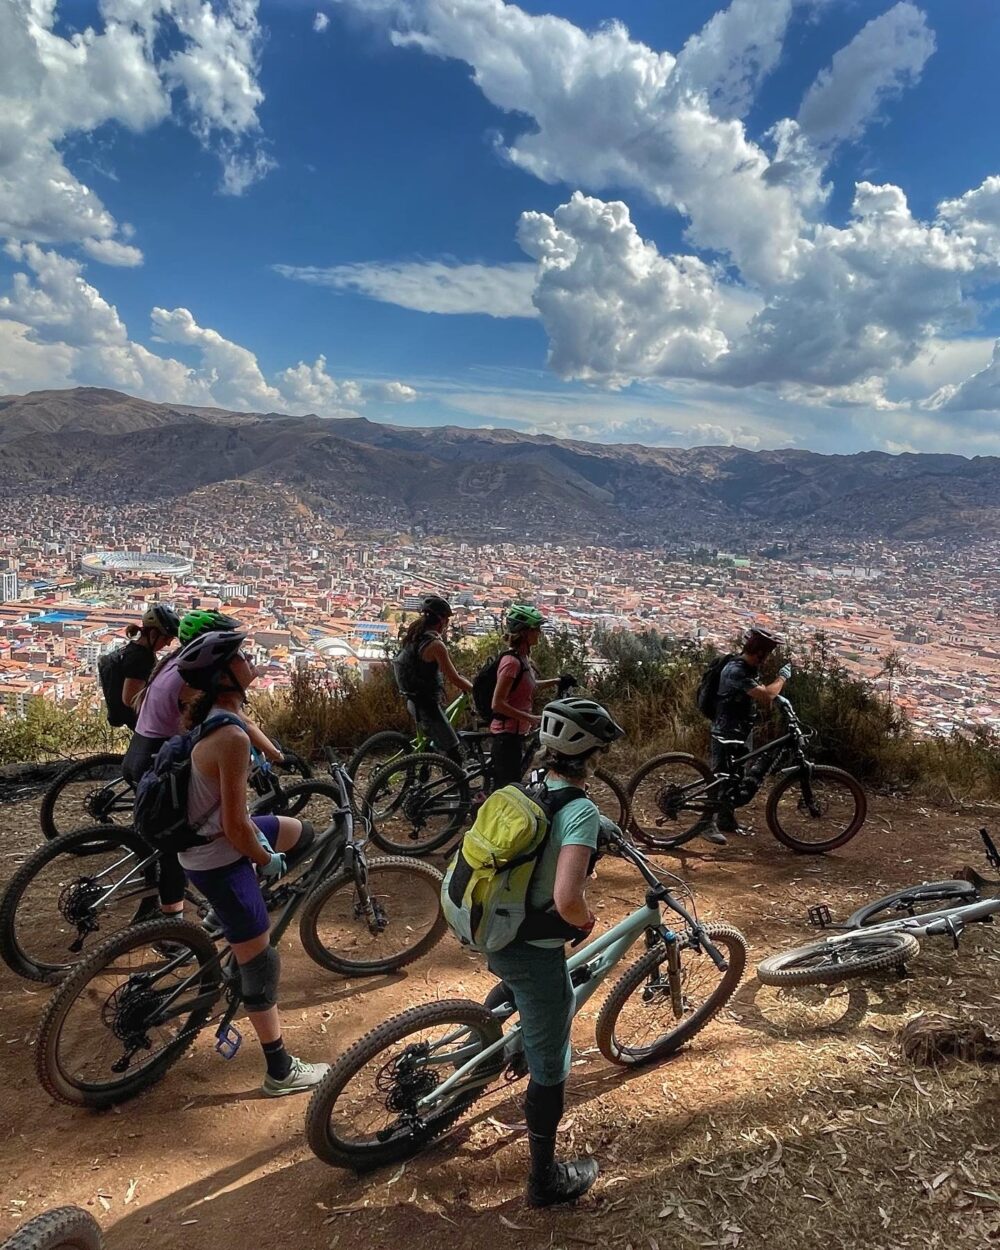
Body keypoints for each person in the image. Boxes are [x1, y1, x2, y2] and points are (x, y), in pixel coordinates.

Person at [174, 629, 330, 1096]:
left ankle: (236, 917)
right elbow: (237, 826)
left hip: (207, 840)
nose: (248, 658)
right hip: (216, 858)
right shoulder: (229, 738)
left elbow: (250, 736)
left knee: (300, 833)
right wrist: (265, 859)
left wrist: (277, 756)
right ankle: (279, 1070)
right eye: (239, 655)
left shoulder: (219, 714)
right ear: (224, 676)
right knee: (261, 967)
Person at [486, 697, 624, 1207]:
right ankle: (544, 1180)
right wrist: (585, 921)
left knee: (522, 987)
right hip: (529, 948)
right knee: (553, 1063)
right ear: (591, 756)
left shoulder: (530, 783)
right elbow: (567, 900)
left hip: (489, 925)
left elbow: (547, 826)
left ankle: (498, 1031)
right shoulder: (580, 810)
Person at [123, 609, 285, 922]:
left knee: (172, 840)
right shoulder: (196, 681)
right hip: (157, 759)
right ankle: (173, 927)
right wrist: (274, 754)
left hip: (141, 750)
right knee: (179, 847)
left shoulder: (172, 662)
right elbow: (241, 722)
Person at [705, 626, 792, 845]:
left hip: (741, 730)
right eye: (766, 654)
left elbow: (760, 693)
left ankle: (725, 818)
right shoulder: (736, 670)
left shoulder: (748, 668)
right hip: (726, 731)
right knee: (720, 777)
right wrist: (782, 678)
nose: (767, 658)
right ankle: (705, 823)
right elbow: (767, 694)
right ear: (759, 653)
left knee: (736, 776)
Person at [489, 604, 576, 790]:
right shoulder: (511, 663)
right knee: (507, 790)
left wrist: (557, 681)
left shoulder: (523, 659)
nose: (539, 633)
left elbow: (529, 686)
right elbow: (497, 703)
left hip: (516, 733)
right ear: (524, 632)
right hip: (506, 736)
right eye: (536, 629)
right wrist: (530, 717)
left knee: (512, 784)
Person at [396, 595, 472, 764]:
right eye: (447, 620)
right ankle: (457, 779)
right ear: (442, 620)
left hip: (413, 700)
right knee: (454, 753)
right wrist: (475, 689)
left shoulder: (416, 636)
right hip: (426, 706)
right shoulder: (436, 645)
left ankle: (424, 770)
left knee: (432, 740)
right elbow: (454, 678)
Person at [118, 605, 180, 729]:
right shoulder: (140, 658)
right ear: (153, 634)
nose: (168, 643)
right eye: (166, 638)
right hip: (144, 725)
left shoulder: (135, 649)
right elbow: (130, 699)